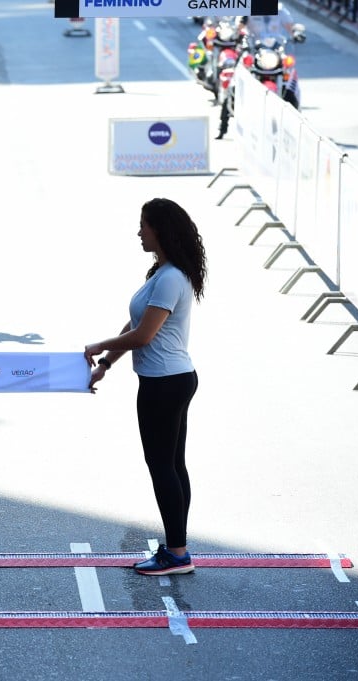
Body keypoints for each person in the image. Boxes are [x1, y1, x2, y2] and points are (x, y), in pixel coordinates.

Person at [84, 198, 207, 577]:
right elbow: (133, 325)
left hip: (165, 384)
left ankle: (177, 553)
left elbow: (144, 336)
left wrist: (98, 345)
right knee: (172, 465)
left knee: (162, 467)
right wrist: (106, 364)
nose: (139, 232)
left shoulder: (170, 278)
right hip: (171, 380)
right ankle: (177, 547)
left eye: (144, 225)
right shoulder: (164, 272)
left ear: (160, 229)